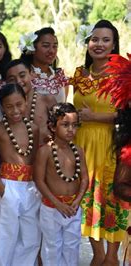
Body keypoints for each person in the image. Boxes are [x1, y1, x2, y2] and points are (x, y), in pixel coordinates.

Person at [70, 19, 129, 266]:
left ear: (114, 44)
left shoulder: (124, 74)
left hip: (112, 144)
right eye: (95, 39)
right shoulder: (80, 74)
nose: (99, 44)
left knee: (112, 197)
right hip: (82, 145)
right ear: (87, 43)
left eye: (106, 40)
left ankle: (112, 255)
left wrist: (96, 116)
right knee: (88, 198)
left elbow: (128, 113)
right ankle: (97, 253)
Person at [0, 84, 40, 266]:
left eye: (19, 104)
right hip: (8, 184)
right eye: (9, 106)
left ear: (26, 102)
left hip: (30, 187)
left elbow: (34, 160)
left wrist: (36, 186)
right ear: (2, 107)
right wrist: (2, 190)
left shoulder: (34, 128)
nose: (15, 110)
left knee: (31, 237)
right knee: (4, 236)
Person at [33, 103, 89, 266]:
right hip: (52, 208)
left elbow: (84, 178)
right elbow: (39, 180)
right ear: (52, 126)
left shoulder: (78, 151)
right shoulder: (46, 151)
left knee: (72, 246)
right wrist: (57, 204)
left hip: (72, 208)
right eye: (65, 125)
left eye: (74, 125)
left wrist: (77, 200)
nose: (70, 129)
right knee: (52, 247)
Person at [5, 59, 57, 143]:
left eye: (22, 75)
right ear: (6, 83)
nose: (18, 81)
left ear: (32, 73)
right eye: (12, 79)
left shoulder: (47, 100)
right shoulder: (7, 107)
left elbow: (60, 128)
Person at [20, 27, 68, 103]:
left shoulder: (60, 76)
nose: (52, 51)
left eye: (55, 46)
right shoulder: (24, 75)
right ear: (32, 49)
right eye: (46, 46)